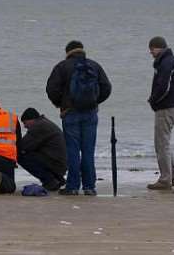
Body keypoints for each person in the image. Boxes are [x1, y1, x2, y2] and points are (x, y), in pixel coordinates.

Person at [46, 41, 112, 195]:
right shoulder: (94, 66)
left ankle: (73, 186)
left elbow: (51, 89)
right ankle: (89, 187)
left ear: (67, 52)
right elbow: (107, 88)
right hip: (90, 113)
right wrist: (94, 101)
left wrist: (61, 104)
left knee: (73, 151)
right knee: (88, 150)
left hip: (70, 113)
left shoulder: (62, 67)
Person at [146, 37, 174, 190]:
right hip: (173, 106)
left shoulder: (166, 63)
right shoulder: (170, 61)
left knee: (161, 144)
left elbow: (164, 87)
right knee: (165, 143)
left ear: (159, 48)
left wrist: (153, 101)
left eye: (152, 49)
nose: (150, 52)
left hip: (166, 107)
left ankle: (165, 179)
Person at [18, 108, 67, 191]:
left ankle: (50, 181)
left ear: (31, 119)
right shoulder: (44, 123)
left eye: (25, 122)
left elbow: (23, 146)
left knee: (20, 157)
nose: (24, 126)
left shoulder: (39, 126)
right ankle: (57, 179)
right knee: (29, 153)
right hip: (60, 163)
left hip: (56, 163)